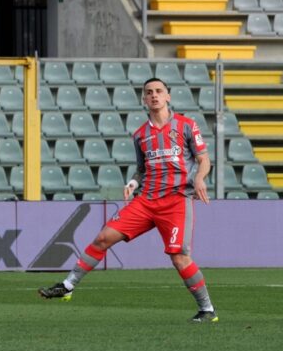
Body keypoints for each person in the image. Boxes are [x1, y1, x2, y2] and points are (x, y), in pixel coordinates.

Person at [39, 77, 218, 323]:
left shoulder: (187, 125)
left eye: (158, 91)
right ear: (144, 99)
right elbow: (141, 169)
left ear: (168, 96)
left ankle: (207, 309)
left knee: (179, 257)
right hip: (145, 201)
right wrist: (133, 182)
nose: (154, 95)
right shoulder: (140, 135)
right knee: (103, 238)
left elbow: (204, 158)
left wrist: (200, 177)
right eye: (149, 92)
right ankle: (68, 286)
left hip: (176, 200)